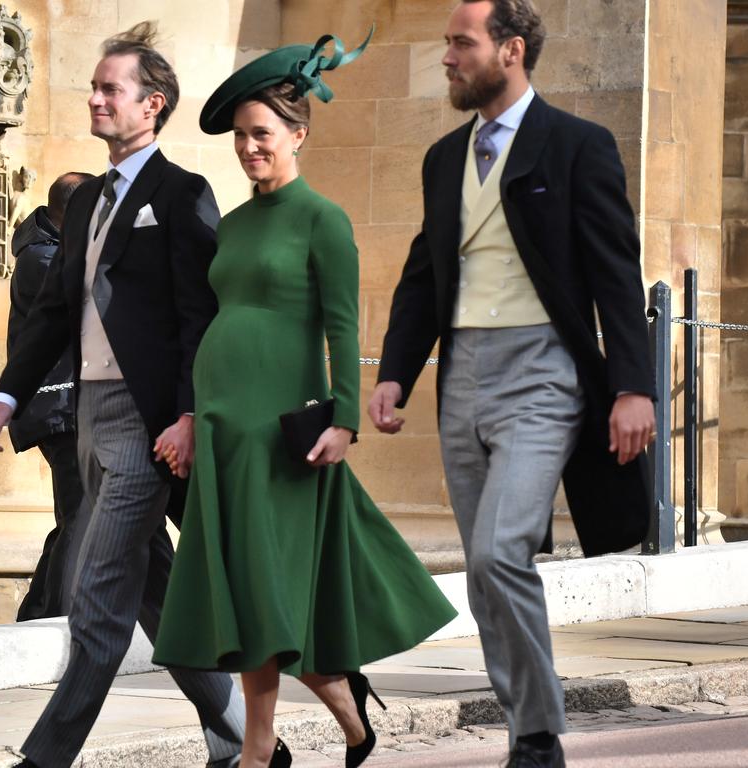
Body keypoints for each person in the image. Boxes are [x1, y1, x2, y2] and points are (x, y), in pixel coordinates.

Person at [151, 32, 458, 768]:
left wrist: (346, 420)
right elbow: (214, 322)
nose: (249, 147)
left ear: (299, 134)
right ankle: (351, 723)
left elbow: (345, 327)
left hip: (280, 432)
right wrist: (193, 417)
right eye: (240, 136)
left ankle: (259, 752)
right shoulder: (233, 223)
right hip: (224, 427)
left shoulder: (324, 219)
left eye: (262, 134)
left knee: (266, 595)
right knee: (259, 601)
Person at [367, 2, 656, 767]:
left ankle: (536, 731)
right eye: (449, 44)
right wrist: (396, 371)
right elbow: (423, 277)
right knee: (485, 573)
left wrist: (634, 387)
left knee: (500, 552)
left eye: (462, 43)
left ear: (512, 50)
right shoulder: (441, 158)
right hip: (461, 375)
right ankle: (526, 727)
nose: (448, 57)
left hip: (543, 374)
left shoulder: (577, 146)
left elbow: (616, 276)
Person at [0, 22, 245, 768]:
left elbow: (202, 317)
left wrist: (190, 413)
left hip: (146, 422)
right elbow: (57, 312)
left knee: (94, 598)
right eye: (93, 88)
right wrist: (7, 393)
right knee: (154, 592)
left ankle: (44, 759)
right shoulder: (89, 196)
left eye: (109, 89)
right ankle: (247, 746)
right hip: (89, 417)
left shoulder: (184, 193)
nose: (94, 99)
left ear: (151, 105)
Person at [8, 171, 94, 622]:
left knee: (78, 516)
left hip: (71, 405)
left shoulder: (54, 252)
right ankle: (58, 621)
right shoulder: (43, 261)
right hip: (60, 409)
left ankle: (39, 613)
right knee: (81, 514)